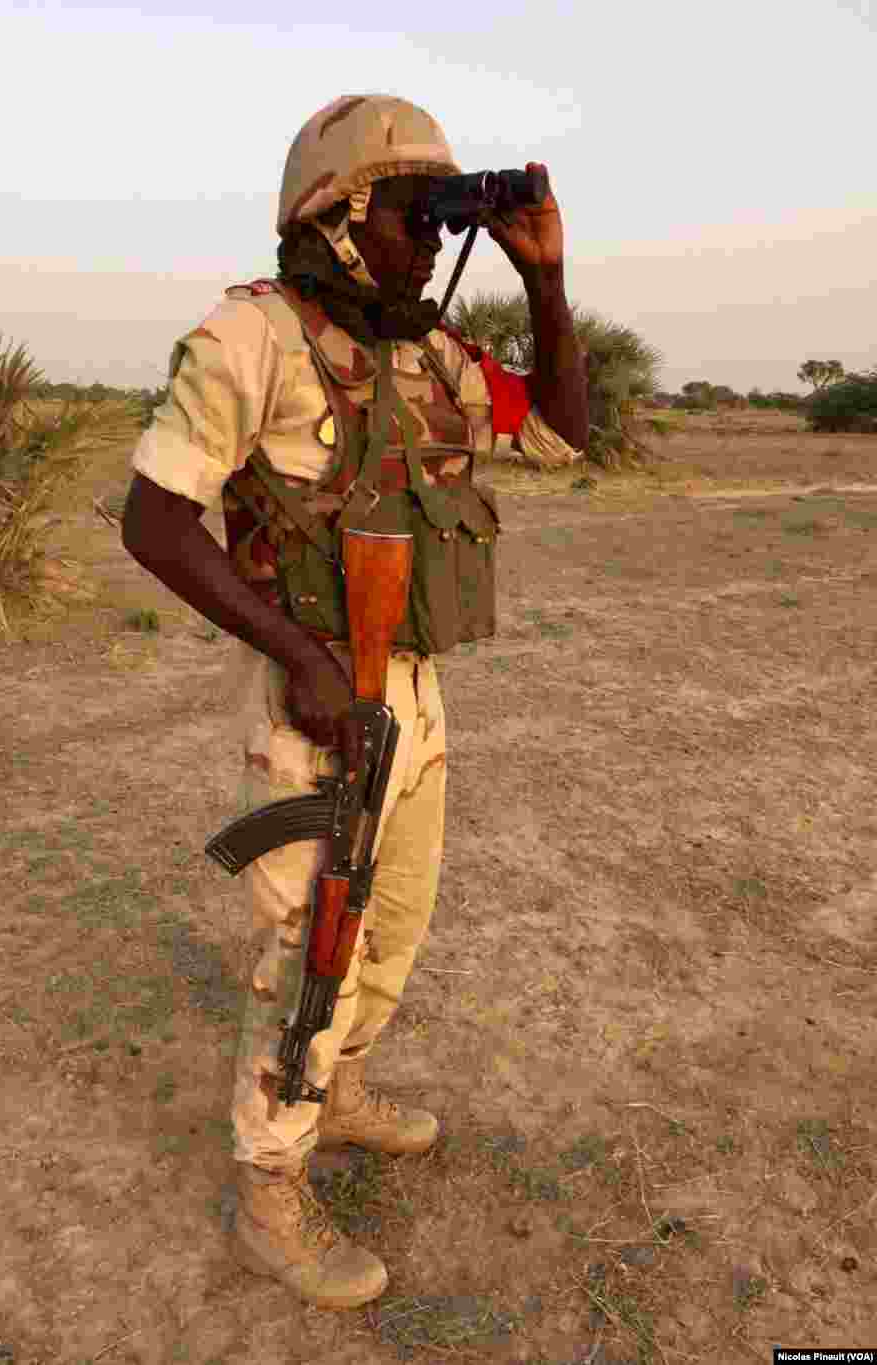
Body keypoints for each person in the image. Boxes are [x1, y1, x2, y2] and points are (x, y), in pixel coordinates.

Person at [121, 94, 589, 1311]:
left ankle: (342, 1096)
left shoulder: (427, 351)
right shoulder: (249, 340)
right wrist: (298, 657)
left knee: (396, 926)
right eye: (410, 214)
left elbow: (561, 430)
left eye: (444, 218)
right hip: (311, 695)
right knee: (309, 945)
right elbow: (155, 519)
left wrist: (544, 282)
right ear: (334, 221)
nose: (433, 239)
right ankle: (268, 1181)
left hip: (413, 690)